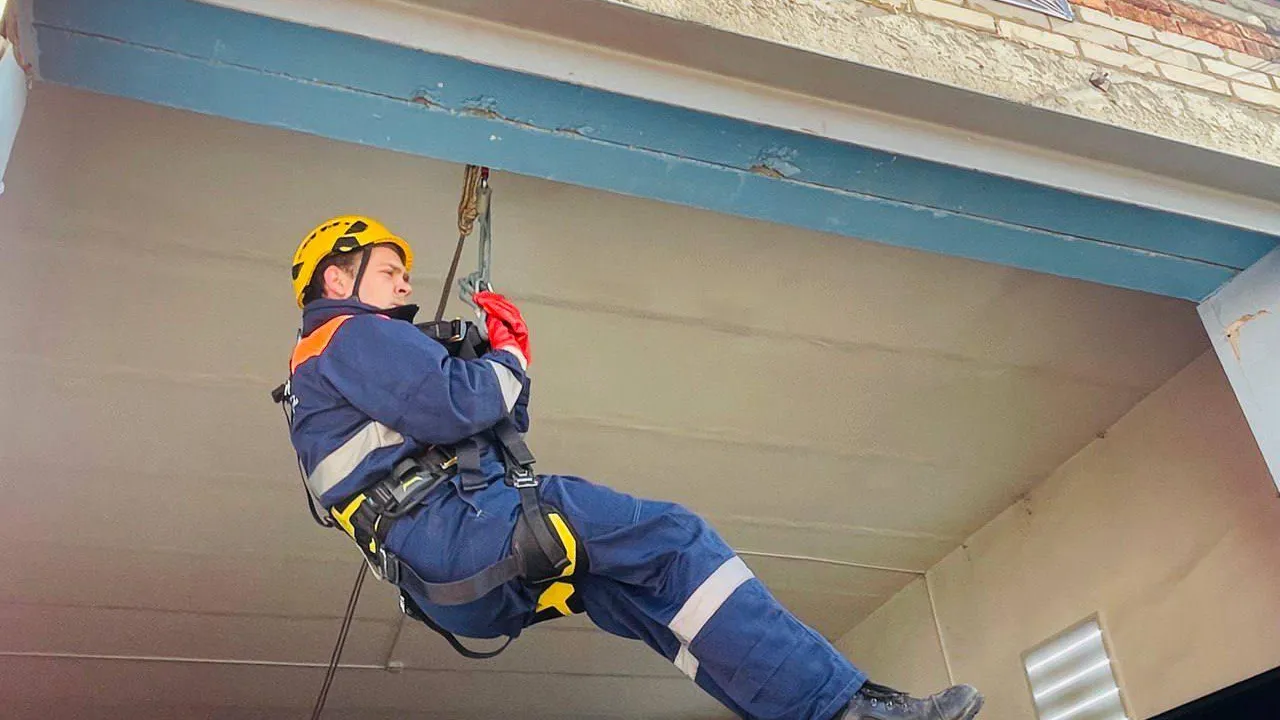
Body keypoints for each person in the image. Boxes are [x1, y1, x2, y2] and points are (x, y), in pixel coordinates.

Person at [283, 215, 984, 720]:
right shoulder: (346, 334)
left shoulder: (335, 369)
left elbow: (489, 421)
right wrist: (509, 354)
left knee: (653, 594)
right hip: (464, 532)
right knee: (675, 538)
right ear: (336, 277)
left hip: (453, 574)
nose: (406, 281)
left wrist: (497, 368)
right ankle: (842, 710)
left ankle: (831, 708)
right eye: (388, 269)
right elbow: (460, 403)